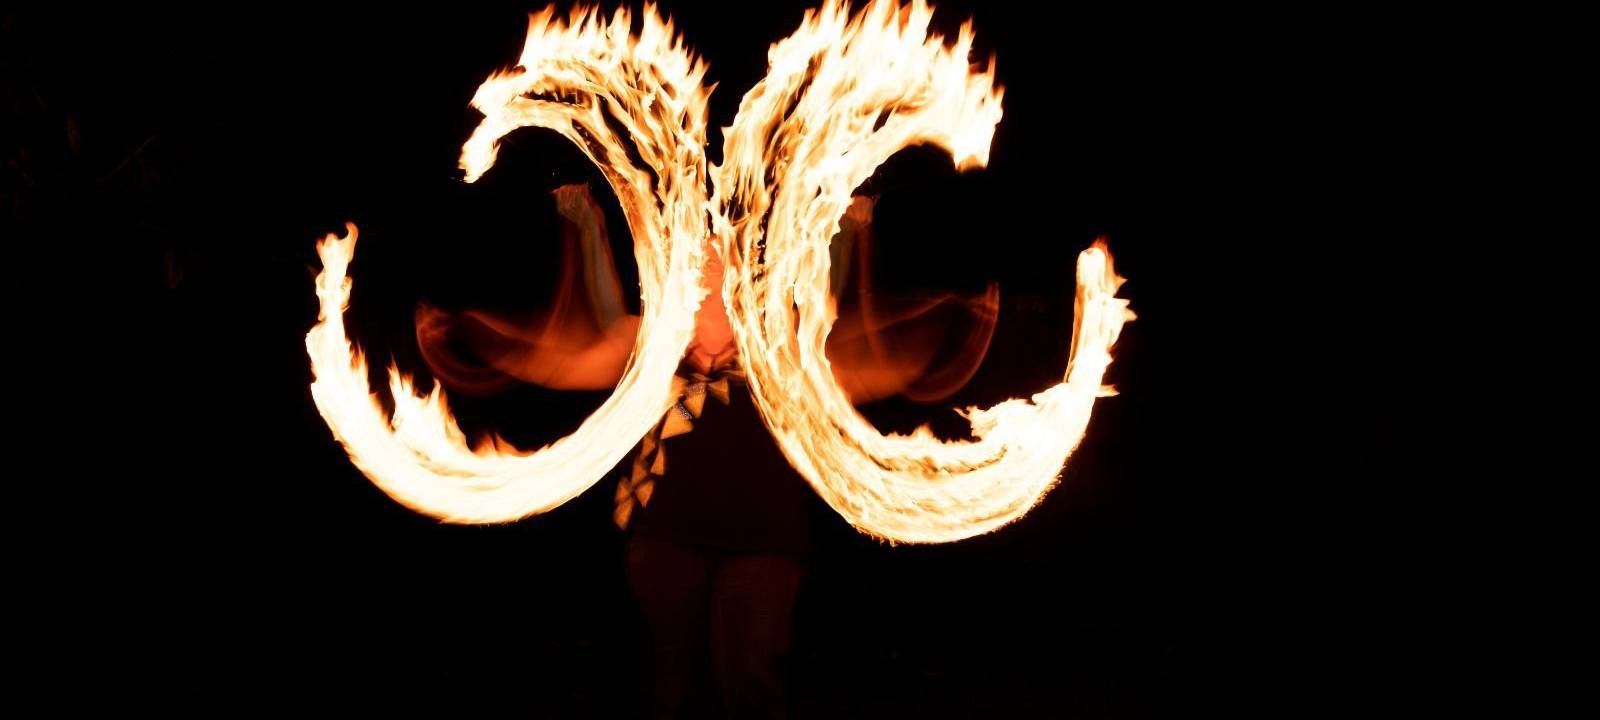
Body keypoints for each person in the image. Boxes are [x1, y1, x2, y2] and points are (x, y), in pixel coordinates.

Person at [417, 184, 998, 719]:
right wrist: (476, 330)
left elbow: (846, 332)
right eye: (700, 253)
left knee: (750, 681)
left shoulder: (781, 344)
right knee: (675, 685)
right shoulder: (650, 341)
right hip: (665, 533)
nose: (712, 257)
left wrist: (855, 237)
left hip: (765, 536)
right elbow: (565, 356)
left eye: (724, 253)